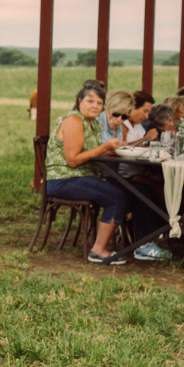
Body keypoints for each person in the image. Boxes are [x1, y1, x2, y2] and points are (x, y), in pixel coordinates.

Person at [44, 86, 126, 263]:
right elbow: (73, 160)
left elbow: (91, 152)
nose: (95, 106)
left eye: (99, 103)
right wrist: (103, 148)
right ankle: (98, 251)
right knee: (117, 197)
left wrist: (107, 152)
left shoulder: (94, 122)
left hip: (81, 177)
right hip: (63, 180)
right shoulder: (74, 121)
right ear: (80, 101)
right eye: (90, 101)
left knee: (128, 191)